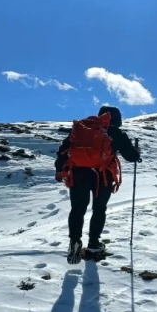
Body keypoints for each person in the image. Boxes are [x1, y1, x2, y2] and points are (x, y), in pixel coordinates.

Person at [55, 106, 141, 264]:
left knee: (78, 208)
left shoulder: (82, 128)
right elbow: (131, 156)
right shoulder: (114, 131)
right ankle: (94, 244)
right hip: (103, 176)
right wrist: (136, 152)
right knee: (99, 209)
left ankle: (74, 241)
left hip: (78, 173)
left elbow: (63, 149)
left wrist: (59, 170)